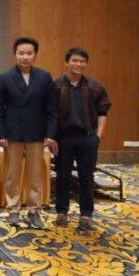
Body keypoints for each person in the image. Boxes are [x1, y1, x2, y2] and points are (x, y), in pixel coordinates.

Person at [0, 37, 58, 229]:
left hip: (36, 134)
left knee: (35, 175)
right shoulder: (5, 77)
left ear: (35, 55)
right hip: (12, 134)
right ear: (15, 55)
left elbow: (52, 109)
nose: (25, 57)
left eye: (29, 53)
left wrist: (50, 134)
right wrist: (1, 134)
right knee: (12, 174)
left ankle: (33, 210)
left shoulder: (44, 77)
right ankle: (13, 209)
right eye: (21, 53)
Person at [52, 47, 111, 230]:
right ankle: (61, 212)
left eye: (82, 61)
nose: (78, 64)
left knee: (87, 176)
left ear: (86, 64)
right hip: (63, 138)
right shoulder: (55, 86)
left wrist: (98, 136)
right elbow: (49, 114)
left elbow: (103, 112)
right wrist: (51, 137)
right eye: (74, 60)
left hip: (87, 138)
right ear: (66, 62)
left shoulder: (95, 87)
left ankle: (86, 214)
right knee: (62, 176)